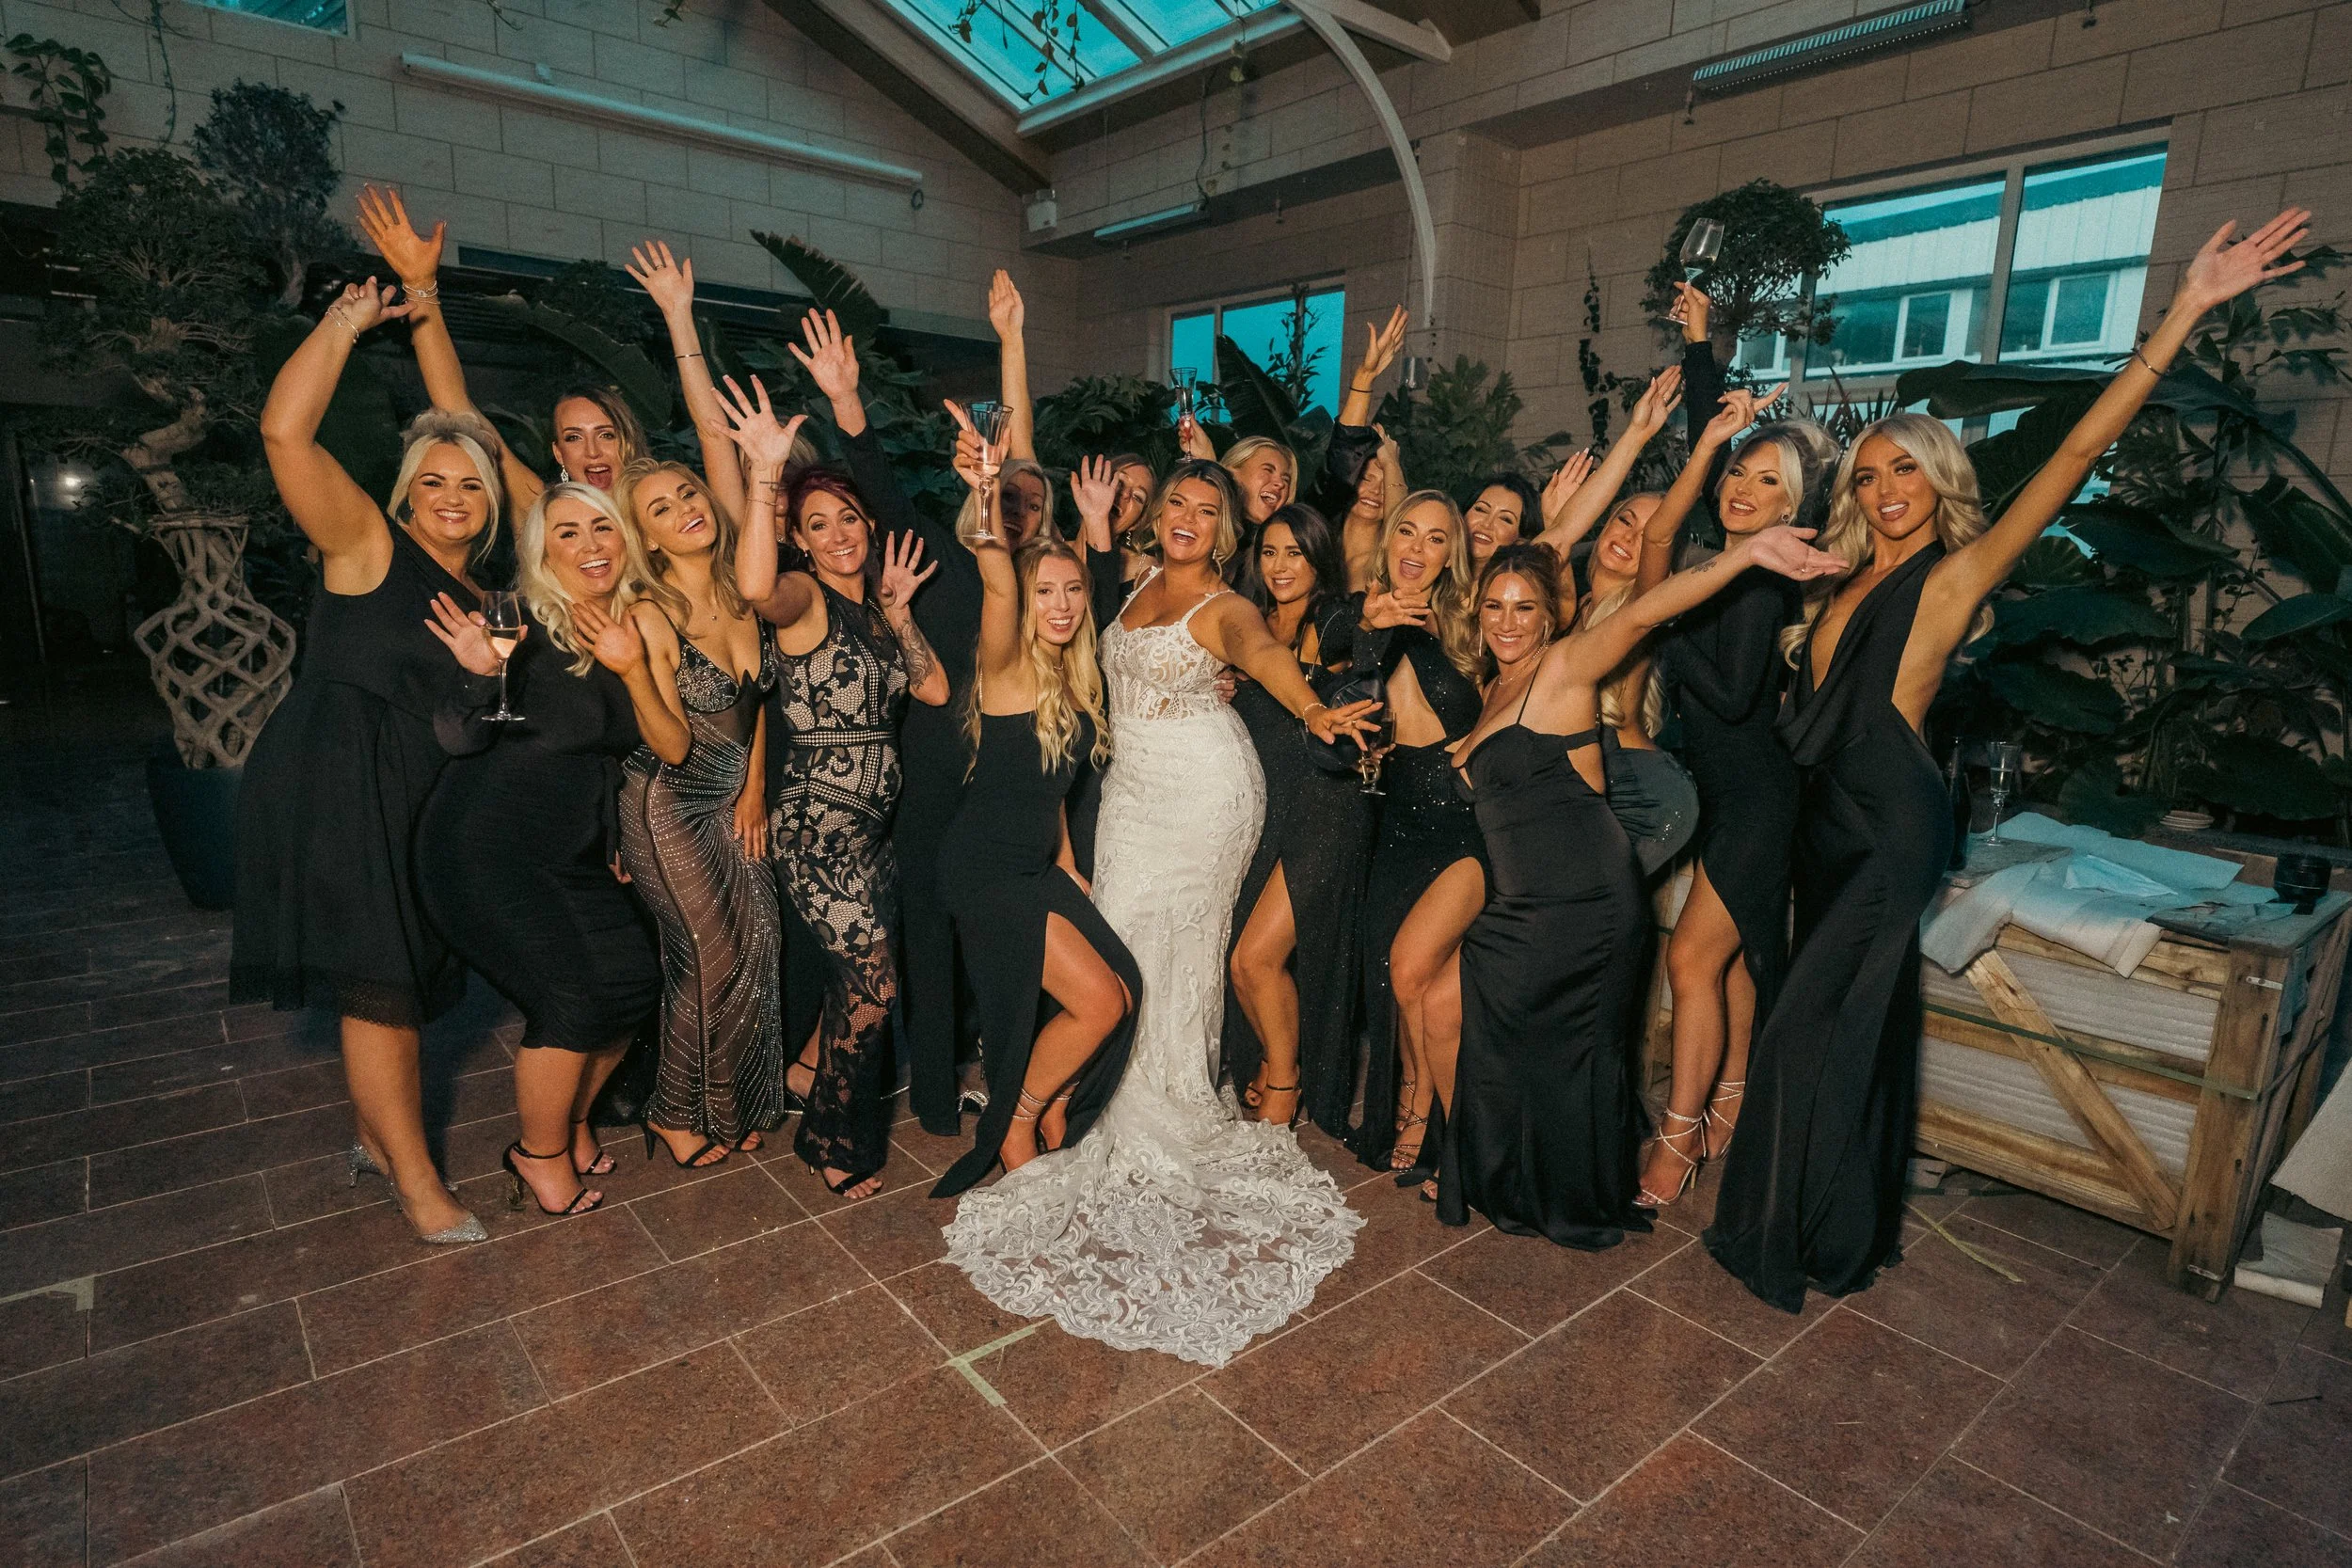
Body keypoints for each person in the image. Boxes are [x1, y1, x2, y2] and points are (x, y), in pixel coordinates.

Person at [1705, 208, 2312, 1312]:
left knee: (1805, 1027)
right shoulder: (1827, 580)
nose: (1889, 488)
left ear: (1941, 482)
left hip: (1890, 834)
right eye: (1875, 471)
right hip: (1822, 828)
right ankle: (1825, 1224)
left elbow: (2077, 451)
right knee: (1845, 1020)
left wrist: (2180, 308)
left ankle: (1799, 1234)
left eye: (1911, 471)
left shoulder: (1949, 580)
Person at [941, 459, 1377, 1368]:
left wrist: (1312, 710)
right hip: (1128, 795)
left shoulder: (1223, 605)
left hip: (1203, 795)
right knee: (1122, 955)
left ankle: (1132, 1104)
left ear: (1224, 531)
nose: (1185, 516)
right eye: (1176, 500)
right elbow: (1040, 592)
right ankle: (1081, 1096)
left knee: (1164, 958)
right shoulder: (1132, 581)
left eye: (1205, 510)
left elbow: (1260, 654)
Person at [1439, 525, 1842, 1241]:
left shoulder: (1563, 668)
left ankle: (1565, 1193)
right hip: (1520, 903)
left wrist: (1745, 555)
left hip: (1583, 904)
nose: (1507, 621)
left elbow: (1644, 613)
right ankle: (1508, 1179)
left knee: (1564, 1054)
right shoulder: (1493, 682)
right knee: (1504, 1040)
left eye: (1524, 607)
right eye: (1494, 607)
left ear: (1550, 616)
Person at [234, 278, 501, 1245]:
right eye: (433, 479)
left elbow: (470, 724)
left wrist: (481, 680)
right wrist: (345, 322)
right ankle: (417, 1181)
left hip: (415, 796)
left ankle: (372, 1136)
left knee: (393, 981)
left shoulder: (488, 598)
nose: (453, 496)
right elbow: (283, 436)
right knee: (380, 985)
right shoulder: (364, 543)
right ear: (404, 492)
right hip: (339, 782)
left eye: (471, 482)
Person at [788, 298, 1042, 1139]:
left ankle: (1007, 1083)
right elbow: (873, 476)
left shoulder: (1040, 569)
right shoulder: (924, 547)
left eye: (1011, 490)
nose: (1000, 496)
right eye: (984, 479)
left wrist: (1012, 342)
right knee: (927, 937)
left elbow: (1024, 460)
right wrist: (846, 400)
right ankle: (934, 1098)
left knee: (1001, 938)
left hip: (1005, 775)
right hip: (931, 771)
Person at [417, 483, 691, 1217]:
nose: (591, 545)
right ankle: (536, 1157)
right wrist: (478, 673)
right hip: (483, 848)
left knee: (633, 981)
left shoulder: (630, 626)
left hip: (570, 850)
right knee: (573, 996)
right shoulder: (518, 627)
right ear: (542, 553)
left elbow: (665, 744)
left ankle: (569, 1124)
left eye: (602, 528)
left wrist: (632, 667)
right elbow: (457, 737)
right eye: (566, 533)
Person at [724, 375, 949, 1201]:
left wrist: (900, 612)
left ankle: (814, 1086)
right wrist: (764, 478)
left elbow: (930, 690)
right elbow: (754, 588)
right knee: (873, 984)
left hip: (873, 842)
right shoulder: (804, 600)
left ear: (866, 524)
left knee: (851, 987)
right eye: (815, 524)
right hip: (815, 838)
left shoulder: (873, 610)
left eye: (847, 517)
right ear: (803, 542)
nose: (837, 533)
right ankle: (832, 1140)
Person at [1639, 369, 1838, 1207]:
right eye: (1738, 474)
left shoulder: (1757, 583)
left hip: (1757, 796)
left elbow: (1728, 698)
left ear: (1790, 509)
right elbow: (1656, 550)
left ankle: (1676, 1140)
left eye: (1769, 484)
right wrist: (1708, 434)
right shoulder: (1719, 565)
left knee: (1690, 958)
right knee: (1733, 965)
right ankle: (1731, 1100)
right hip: (1729, 795)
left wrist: (1661, 622)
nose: (1744, 491)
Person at [930, 452, 1142, 1196]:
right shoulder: (1009, 663)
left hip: (1036, 866)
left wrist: (1065, 857)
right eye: (1044, 590)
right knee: (1100, 1001)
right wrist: (986, 495)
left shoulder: (1072, 673)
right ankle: (1019, 1115)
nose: (1060, 604)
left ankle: (1045, 1100)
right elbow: (994, 574)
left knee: (1126, 983)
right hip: (984, 870)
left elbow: (1047, 784)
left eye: (1073, 589)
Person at [358, 187, 757, 519]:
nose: (592, 452)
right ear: (557, 452)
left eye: (606, 434)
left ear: (629, 441)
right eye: (573, 437)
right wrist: (419, 285)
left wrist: (678, 317)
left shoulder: (679, 518)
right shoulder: (545, 512)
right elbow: (456, 405)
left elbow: (714, 436)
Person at [615, 459, 786, 1169]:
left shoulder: (748, 590)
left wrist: (753, 789)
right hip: (668, 801)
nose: (685, 508)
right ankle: (673, 1110)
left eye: (688, 492)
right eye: (661, 508)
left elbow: (764, 702)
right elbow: (674, 742)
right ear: (647, 540)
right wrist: (630, 670)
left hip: (733, 793)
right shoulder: (649, 615)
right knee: (708, 957)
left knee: (761, 943)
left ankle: (730, 1103)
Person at [1337, 491, 1485, 1176]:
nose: (1417, 549)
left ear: (1450, 555)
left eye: (1434, 538)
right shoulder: (1359, 615)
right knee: (1401, 981)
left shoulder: (1468, 622)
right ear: (1388, 539)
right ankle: (1411, 1096)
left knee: (1409, 968)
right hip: (1393, 821)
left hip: (1463, 824)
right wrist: (1369, 628)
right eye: (1407, 532)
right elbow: (1339, 692)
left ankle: (1422, 1104)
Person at [1225, 502, 1373, 1134]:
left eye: (1297, 552)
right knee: (1240, 961)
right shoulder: (1246, 622)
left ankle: (1284, 1081)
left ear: (1320, 559)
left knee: (1254, 960)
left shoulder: (1332, 618)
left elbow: (1358, 630)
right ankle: (1278, 1060)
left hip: (1327, 808)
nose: (1282, 566)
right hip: (1268, 808)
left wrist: (1378, 615)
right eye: (1271, 552)